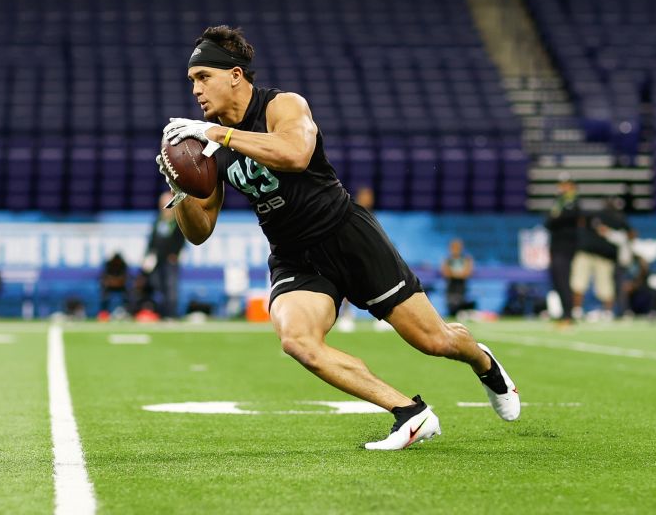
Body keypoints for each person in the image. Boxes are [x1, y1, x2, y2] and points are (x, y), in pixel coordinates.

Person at [158, 25, 519, 451]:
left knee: (434, 341)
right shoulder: (206, 140)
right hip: (294, 255)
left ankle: (483, 360)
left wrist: (219, 135)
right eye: (192, 81)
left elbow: (295, 154)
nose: (196, 90)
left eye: (204, 77)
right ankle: (411, 413)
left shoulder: (281, 105)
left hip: (345, 235)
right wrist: (182, 190)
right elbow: (200, 232)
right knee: (297, 341)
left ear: (235, 74)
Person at [572, 197, 628, 321]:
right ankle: (577, 310)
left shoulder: (619, 220)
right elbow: (580, 220)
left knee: (605, 286)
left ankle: (607, 312)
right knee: (579, 282)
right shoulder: (593, 216)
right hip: (587, 253)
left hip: (605, 257)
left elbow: (630, 234)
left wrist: (610, 233)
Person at [143, 192, 187, 318]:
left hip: (170, 260)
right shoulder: (158, 220)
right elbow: (152, 239)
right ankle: (161, 313)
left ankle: (171, 315)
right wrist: (148, 254)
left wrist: (175, 254)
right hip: (157, 259)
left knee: (171, 287)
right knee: (157, 286)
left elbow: (181, 239)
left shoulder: (177, 221)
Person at [544, 177, 579, 325]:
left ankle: (568, 315)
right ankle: (564, 312)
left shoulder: (573, 202)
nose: (562, 188)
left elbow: (563, 219)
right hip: (556, 246)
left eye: (565, 185)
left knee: (563, 281)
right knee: (557, 281)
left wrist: (556, 219)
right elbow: (549, 222)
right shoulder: (559, 201)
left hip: (566, 247)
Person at [440, 239, 474, 317]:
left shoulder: (466, 259)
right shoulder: (447, 260)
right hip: (451, 288)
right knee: (452, 308)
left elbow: (467, 273)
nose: (456, 249)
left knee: (463, 306)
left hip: (462, 288)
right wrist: (459, 273)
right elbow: (446, 273)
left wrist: (454, 273)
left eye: (457, 247)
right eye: (454, 247)